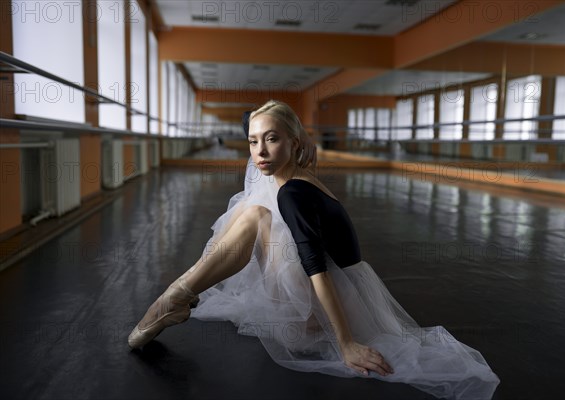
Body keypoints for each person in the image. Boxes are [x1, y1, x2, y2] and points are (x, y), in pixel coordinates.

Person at [128, 100, 500, 399]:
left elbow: (314, 266)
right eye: (254, 141)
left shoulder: (293, 193)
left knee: (255, 215)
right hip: (339, 292)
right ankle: (177, 295)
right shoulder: (298, 178)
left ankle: (175, 296)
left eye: (272, 139)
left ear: (294, 141)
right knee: (252, 209)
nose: (260, 151)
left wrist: (346, 343)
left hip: (314, 313)